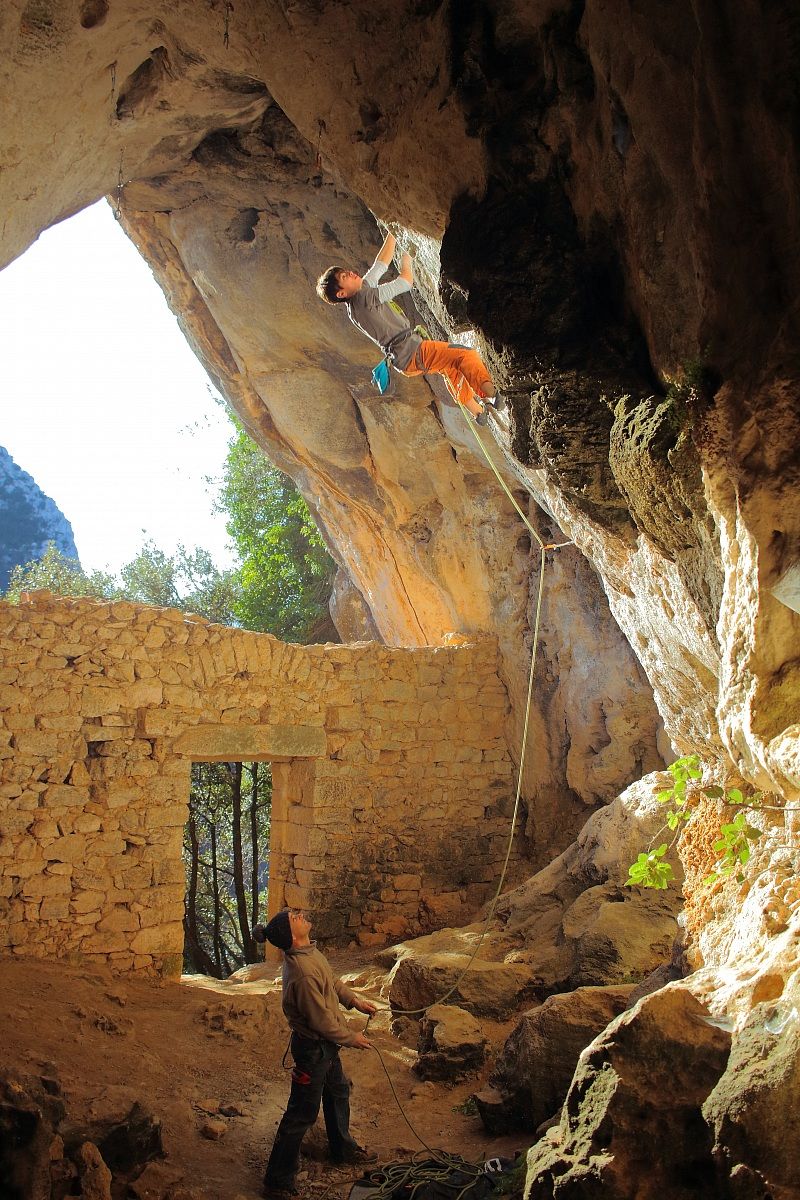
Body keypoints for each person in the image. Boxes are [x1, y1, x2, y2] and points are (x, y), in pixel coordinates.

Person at [316, 232, 506, 425]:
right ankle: (490, 395)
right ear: (341, 293)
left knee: (451, 368)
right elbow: (406, 282)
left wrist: (393, 232)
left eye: (345, 271)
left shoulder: (357, 301)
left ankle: (478, 413)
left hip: (406, 358)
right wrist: (407, 256)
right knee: (464, 356)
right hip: (413, 352)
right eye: (344, 276)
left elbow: (379, 264)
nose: (350, 272)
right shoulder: (364, 300)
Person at [255, 907, 378, 1200]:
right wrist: (351, 1038)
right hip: (313, 1049)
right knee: (301, 1114)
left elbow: (331, 981)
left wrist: (353, 1001)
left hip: (325, 1047)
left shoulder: (310, 954)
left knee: (338, 1091)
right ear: (291, 935)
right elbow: (320, 1021)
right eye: (294, 917)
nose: (300, 915)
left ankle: (342, 1149)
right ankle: (277, 1181)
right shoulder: (301, 973)